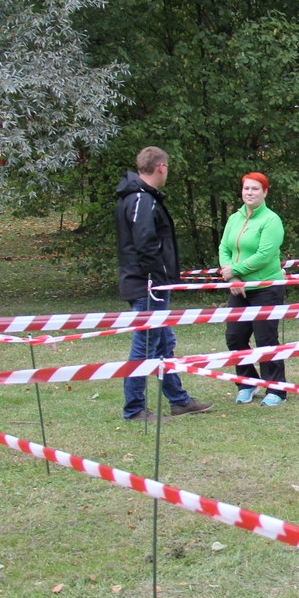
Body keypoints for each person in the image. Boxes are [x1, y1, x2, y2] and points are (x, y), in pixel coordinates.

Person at [115, 147, 213, 422]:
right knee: (145, 346)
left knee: (163, 343)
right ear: (161, 167)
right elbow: (145, 244)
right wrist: (157, 279)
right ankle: (134, 408)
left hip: (154, 284)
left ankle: (179, 401)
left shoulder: (143, 198)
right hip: (148, 286)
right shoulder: (140, 200)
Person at [219, 171, 287, 405]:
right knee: (234, 337)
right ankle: (247, 383)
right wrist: (232, 279)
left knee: (265, 338)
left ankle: (276, 390)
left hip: (266, 287)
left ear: (265, 192)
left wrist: (236, 270)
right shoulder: (234, 218)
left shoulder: (271, 220)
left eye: (255, 189)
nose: (249, 192)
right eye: (246, 188)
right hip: (239, 288)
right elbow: (224, 248)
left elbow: (265, 255)